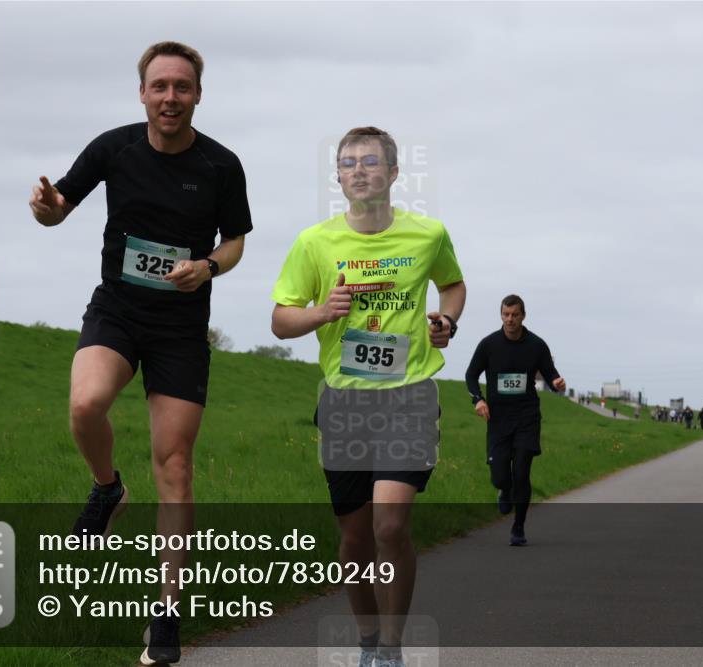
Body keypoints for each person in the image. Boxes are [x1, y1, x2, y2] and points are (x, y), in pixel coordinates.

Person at [29, 41, 252, 667]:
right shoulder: (113, 148)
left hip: (181, 328)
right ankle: (107, 489)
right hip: (118, 311)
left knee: (175, 466)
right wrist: (46, 210)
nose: (171, 97)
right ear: (143, 94)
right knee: (85, 404)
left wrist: (207, 266)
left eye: (182, 87)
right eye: (160, 87)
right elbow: (58, 211)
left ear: (198, 95)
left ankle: (166, 613)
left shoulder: (221, 165)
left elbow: (235, 242)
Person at [271, 127, 466, 667]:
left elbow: (453, 284)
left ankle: (392, 649)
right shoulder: (315, 243)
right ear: (337, 176)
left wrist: (445, 319)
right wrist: (320, 312)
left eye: (371, 162)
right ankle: (365, 640)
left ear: (394, 174)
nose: (359, 170)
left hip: (408, 396)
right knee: (356, 541)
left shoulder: (428, 235)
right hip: (345, 402)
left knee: (390, 525)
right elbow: (280, 321)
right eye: (348, 163)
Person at [465, 294, 566, 547]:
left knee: (521, 472)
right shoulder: (489, 345)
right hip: (498, 418)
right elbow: (470, 375)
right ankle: (504, 489)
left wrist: (556, 383)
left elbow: (551, 374)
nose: (510, 319)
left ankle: (518, 527)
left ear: (523, 316)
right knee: (500, 476)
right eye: (505, 314)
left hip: (526, 416)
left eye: (514, 315)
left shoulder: (537, 345)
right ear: (501, 315)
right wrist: (478, 399)